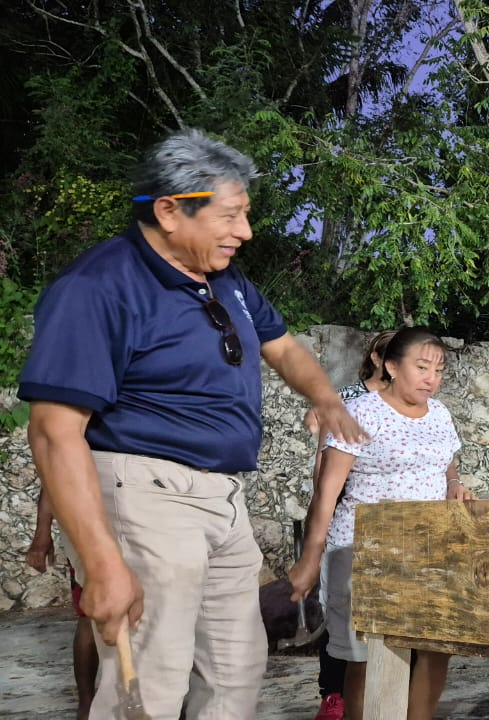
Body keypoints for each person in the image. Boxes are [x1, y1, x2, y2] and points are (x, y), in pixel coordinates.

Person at [17, 128, 365, 720]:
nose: (245, 232)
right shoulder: (98, 286)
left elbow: (283, 347)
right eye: (230, 216)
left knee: (235, 671)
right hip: (143, 492)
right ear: (169, 211)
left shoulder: (226, 281)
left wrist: (326, 397)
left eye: (245, 214)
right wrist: (101, 564)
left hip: (223, 498)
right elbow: (54, 432)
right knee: (149, 681)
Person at [288, 326, 474, 720]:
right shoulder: (359, 412)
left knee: (436, 648)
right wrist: (311, 557)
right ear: (391, 366)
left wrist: (454, 485)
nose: (431, 378)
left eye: (439, 371)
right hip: (362, 551)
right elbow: (326, 492)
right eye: (422, 368)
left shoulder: (440, 414)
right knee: (367, 658)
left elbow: (448, 466)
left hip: (428, 551)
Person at [310, 328, 397, 720]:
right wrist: (325, 508)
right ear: (377, 358)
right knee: (342, 614)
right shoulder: (348, 398)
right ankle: (333, 695)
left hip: (393, 526)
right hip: (350, 514)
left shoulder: (413, 404)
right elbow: (324, 461)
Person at [26, 489, 97, 720]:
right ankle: (86, 704)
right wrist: (42, 533)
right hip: (90, 530)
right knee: (90, 613)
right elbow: (51, 480)